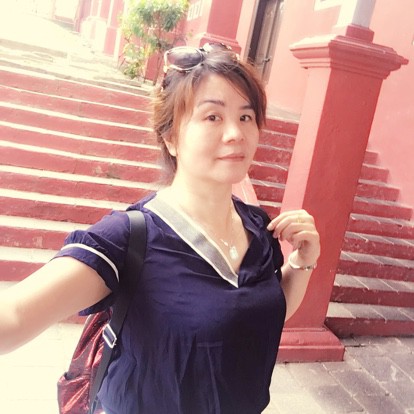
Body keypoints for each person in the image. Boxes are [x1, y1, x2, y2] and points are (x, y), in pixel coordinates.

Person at [0, 43, 320, 413]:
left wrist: (301, 263)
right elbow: (15, 315)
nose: (235, 133)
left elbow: (261, 314)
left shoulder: (258, 225)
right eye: (212, 117)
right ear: (171, 138)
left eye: (246, 117)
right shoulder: (129, 238)